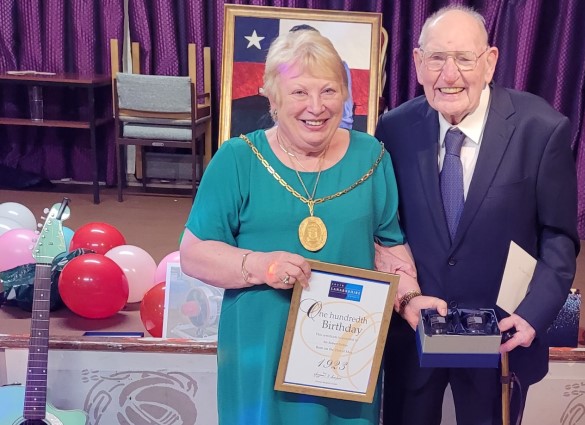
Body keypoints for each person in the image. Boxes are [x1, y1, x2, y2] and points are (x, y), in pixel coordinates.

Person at [179, 29, 444, 425]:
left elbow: (388, 247)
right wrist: (263, 266)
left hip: (344, 356)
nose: (316, 107)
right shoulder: (238, 159)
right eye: (300, 92)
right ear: (271, 95)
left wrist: (409, 301)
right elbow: (194, 254)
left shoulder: (371, 157)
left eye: (329, 91)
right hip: (260, 350)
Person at [375, 5, 579, 425]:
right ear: (416, 63)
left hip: (501, 337)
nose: (448, 75)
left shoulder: (540, 128)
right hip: (414, 334)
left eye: (464, 59)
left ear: (489, 62)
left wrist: (534, 313)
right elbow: (385, 228)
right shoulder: (393, 129)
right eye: (436, 58)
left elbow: (559, 236)